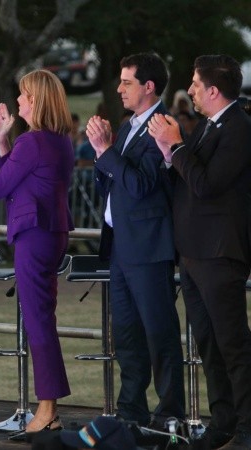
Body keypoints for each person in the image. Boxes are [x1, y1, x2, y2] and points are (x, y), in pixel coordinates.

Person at [0, 69, 74, 436]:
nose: (19, 101)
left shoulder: (34, 141)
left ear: (37, 100)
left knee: (38, 321)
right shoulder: (58, 140)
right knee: (42, 318)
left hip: (34, 236)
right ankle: (48, 408)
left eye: (24, 95)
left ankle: (47, 410)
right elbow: (16, 179)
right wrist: (1, 141)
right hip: (51, 233)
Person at [148, 54, 251, 450]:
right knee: (207, 344)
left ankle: (247, 425)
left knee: (233, 343)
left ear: (213, 89)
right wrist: (167, 150)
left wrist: (175, 146)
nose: (189, 90)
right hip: (192, 253)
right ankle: (223, 420)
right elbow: (187, 177)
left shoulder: (240, 129)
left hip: (220, 252)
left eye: (194, 84)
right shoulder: (208, 126)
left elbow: (207, 185)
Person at [85, 52, 184, 430]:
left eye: (126, 82)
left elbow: (142, 184)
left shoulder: (162, 126)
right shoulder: (128, 127)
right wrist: (102, 151)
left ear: (149, 87)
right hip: (121, 247)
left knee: (159, 332)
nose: (119, 88)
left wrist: (106, 152)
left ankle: (170, 412)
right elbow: (110, 182)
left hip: (148, 247)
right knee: (125, 333)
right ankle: (131, 411)